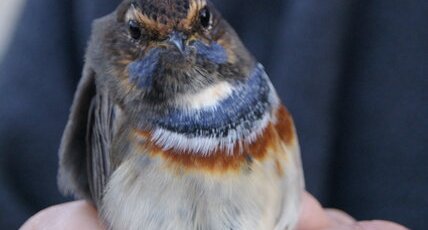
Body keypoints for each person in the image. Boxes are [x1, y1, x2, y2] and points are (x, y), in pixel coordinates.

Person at [0, 0, 426, 229]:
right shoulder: (112, 103)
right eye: (138, 35)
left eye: (201, 21)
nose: (180, 45)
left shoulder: (258, 89)